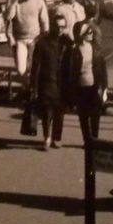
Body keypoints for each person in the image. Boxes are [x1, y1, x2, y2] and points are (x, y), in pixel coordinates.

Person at [28, 12, 73, 149]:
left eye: (63, 27)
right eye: (58, 26)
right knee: (47, 111)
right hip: (47, 81)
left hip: (63, 83)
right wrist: (33, 86)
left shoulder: (68, 43)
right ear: (52, 26)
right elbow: (36, 66)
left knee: (60, 113)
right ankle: (47, 137)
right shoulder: (43, 43)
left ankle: (56, 138)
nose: (60, 29)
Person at [65, 19, 110, 142]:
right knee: (83, 116)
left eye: (91, 31)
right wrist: (69, 93)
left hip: (94, 87)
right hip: (80, 88)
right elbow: (68, 72)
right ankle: (87, 140)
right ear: (80, 34)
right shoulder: (73, 51)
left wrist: (105, 87)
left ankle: (95, 139)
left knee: (95, 115)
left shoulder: (96, 48)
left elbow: (103, 69)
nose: (91, 33)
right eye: (88, 32)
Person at [6, 0, 49, 97]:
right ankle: (28, 87)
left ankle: (32, 91)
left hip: (35, 39)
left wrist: (45, 35)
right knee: (21, 69)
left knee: (34, 67)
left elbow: (44, 20)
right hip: (20, 39)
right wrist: (10, 36)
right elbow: (8, 18)